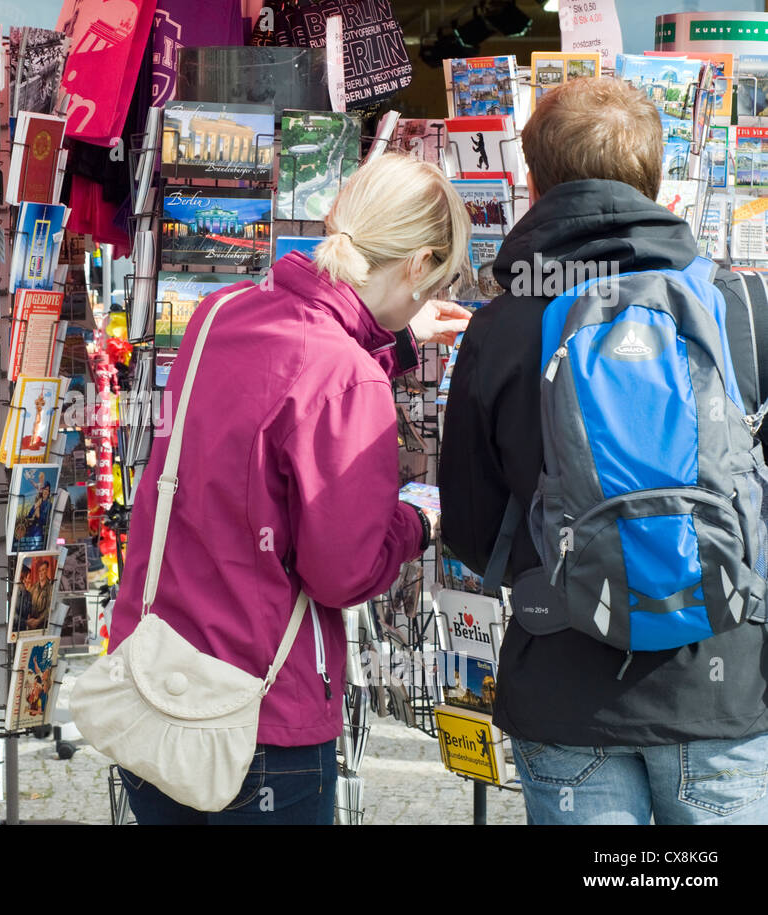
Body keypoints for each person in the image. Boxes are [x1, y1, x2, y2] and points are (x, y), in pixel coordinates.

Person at [438, 77, 768, 825]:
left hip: (563, 685)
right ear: (656, 177)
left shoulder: (501, 327)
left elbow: (467, 526)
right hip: (721, 685)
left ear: (534, 183)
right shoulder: (741, 310)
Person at [108, 153, 472, 825]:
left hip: (155, 683)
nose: (425, 299)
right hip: (263, 716)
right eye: (435, 282)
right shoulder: (347, 376)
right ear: (418, 264)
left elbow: (284, 388)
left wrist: (394, 341)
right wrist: (418, 521)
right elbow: (341, 572)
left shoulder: (221, 313)